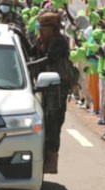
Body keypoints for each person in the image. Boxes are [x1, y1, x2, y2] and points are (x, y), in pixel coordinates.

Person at [28, 12, 76, 174]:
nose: (40, 30)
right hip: (42, 87)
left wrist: (30, 65)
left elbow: (50, 58)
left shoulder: (59, 42)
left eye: (43, 27)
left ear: (52, 29)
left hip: (57, 89)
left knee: (53, 123)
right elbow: (32, 51)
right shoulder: (41, 40)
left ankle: (50, 160)